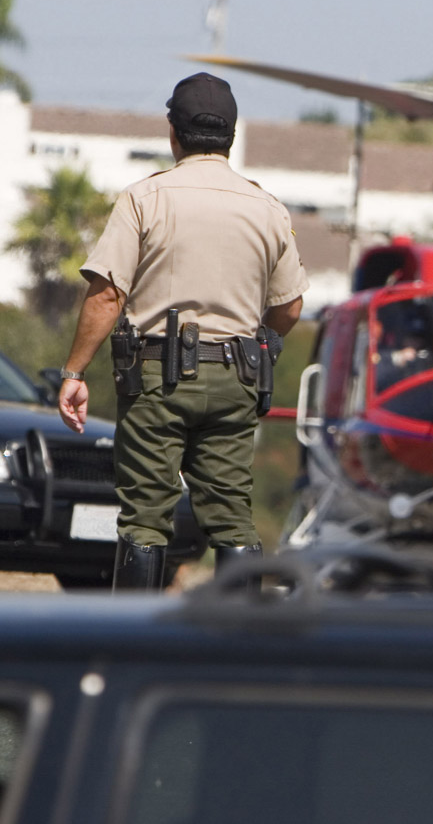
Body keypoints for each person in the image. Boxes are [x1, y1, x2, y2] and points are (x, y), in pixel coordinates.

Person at [58, 72, 309, 592]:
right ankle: (234, 649)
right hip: (238, 377)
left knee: (146, 516)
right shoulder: (266, 207)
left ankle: (134, 645)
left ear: (173, 132)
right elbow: (290, 307)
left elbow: (108, 294)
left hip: (157, 377)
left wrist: (74, 370)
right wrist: (256, 345)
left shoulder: (144, 198)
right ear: (231, 137)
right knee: (231, 515)